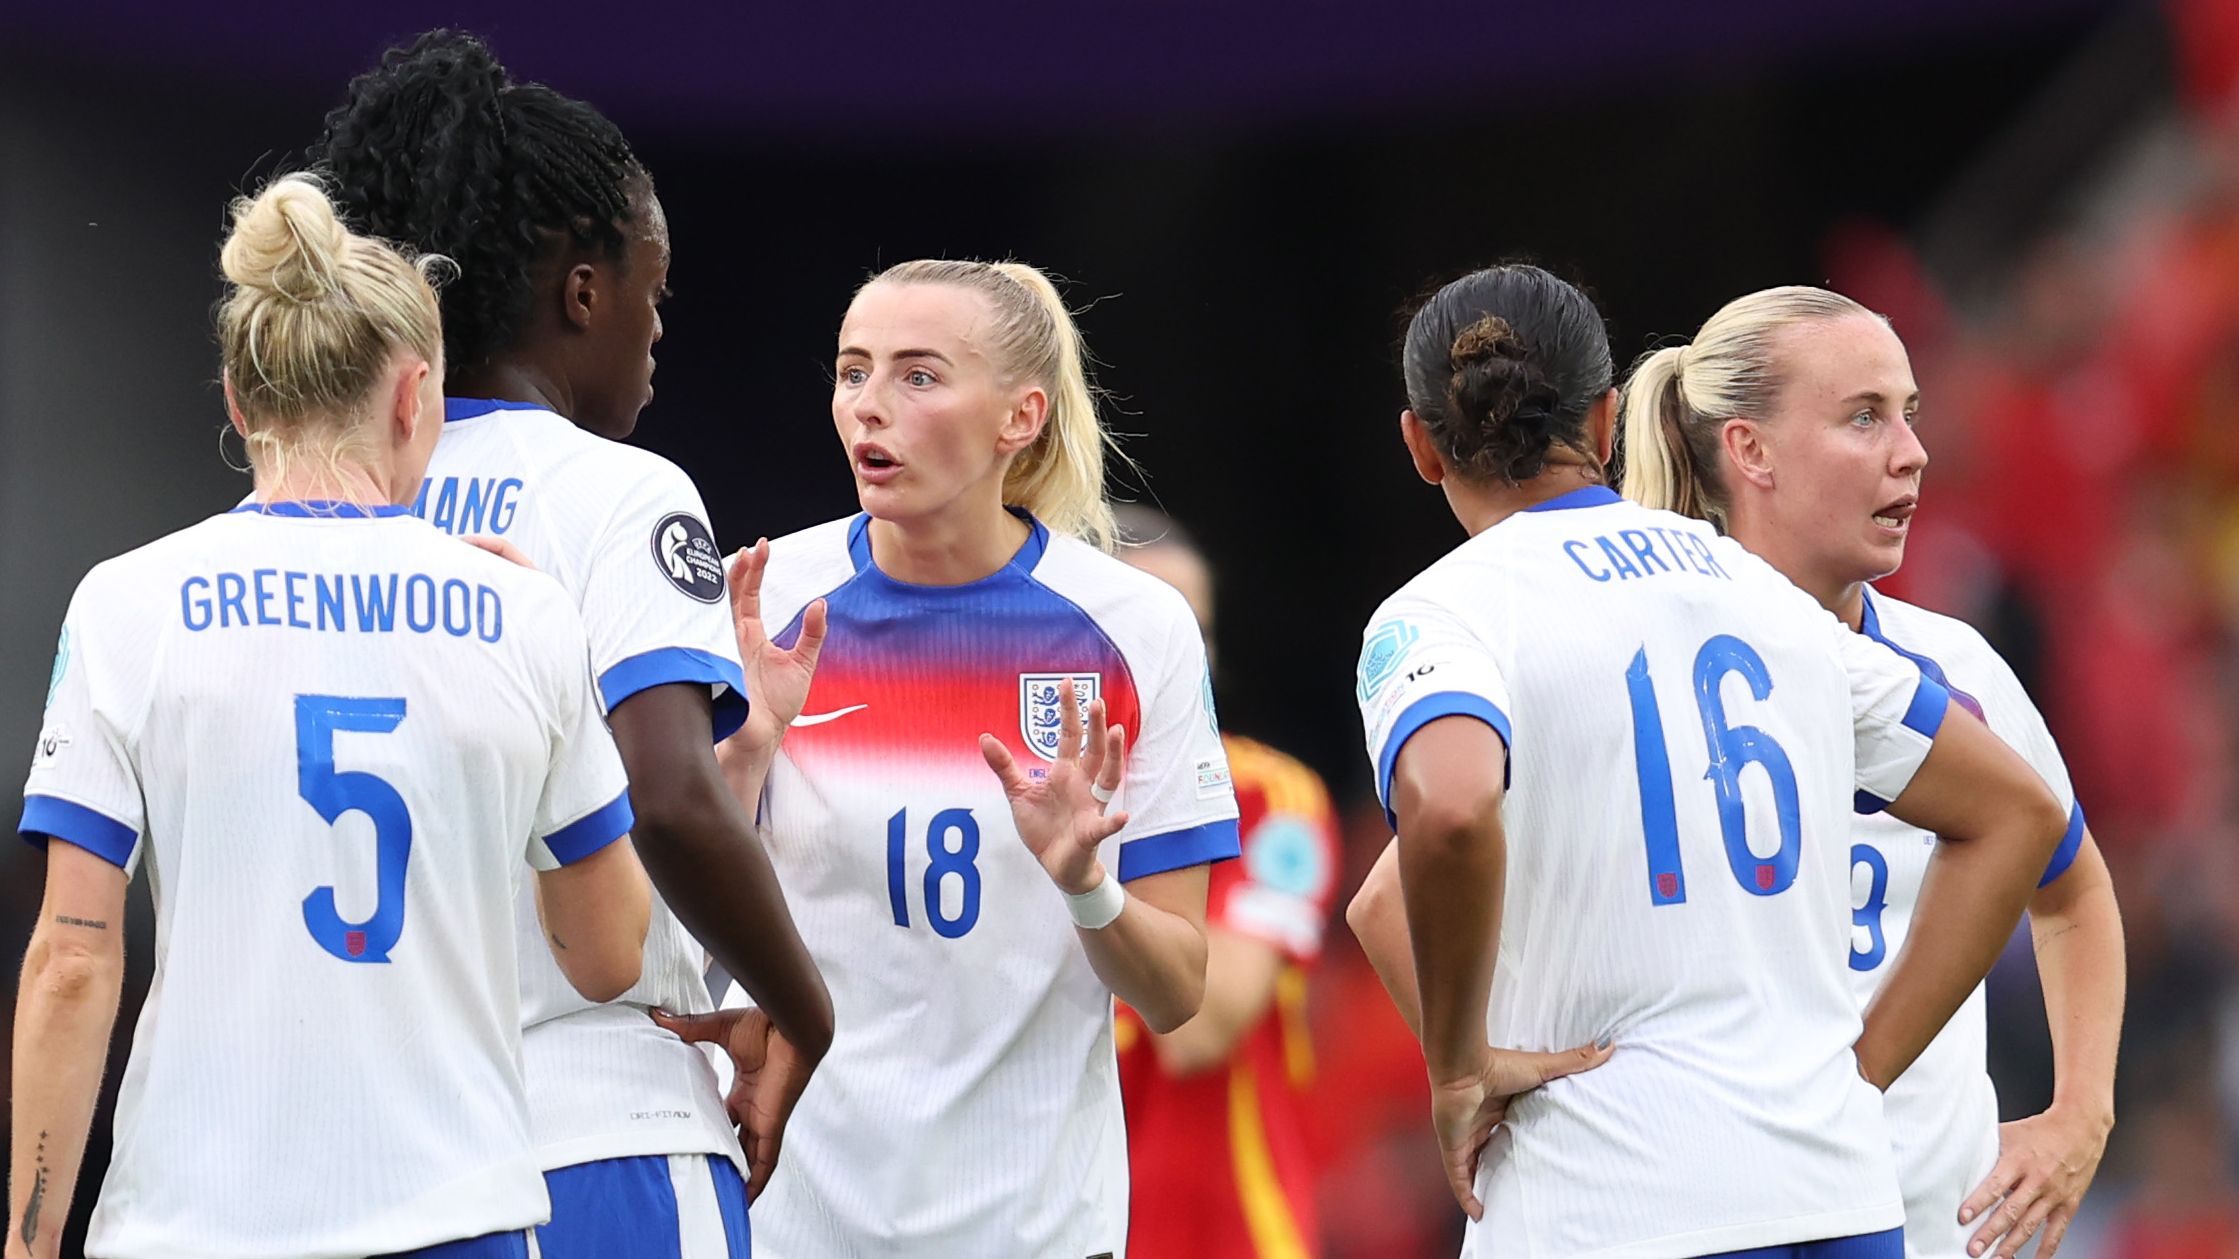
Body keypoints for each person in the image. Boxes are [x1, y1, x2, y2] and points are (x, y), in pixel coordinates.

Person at [1343, 263, 2071, 1258]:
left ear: (1421, 445)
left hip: (1608, 1200)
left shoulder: (1444, 612)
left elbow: (1451, 811)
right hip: (1835, 1194)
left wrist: (1459, 1064)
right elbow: (2018, 812)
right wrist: (1856, 1075)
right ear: (1605, 420)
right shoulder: (1757, 588)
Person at [8, 175, 651, 1259]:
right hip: (455, 1217)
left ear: (238, 401)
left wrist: (29, 1240)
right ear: (413, 395)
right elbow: (607, 954)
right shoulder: (525, 614)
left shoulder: (127, 601)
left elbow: (72, 961)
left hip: (194, 1224)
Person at [313, 31, 832, 1257]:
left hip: (362, 1145)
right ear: (584, 292)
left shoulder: (313, 505)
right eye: (654, 291)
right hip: (595, 1128)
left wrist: (745, 749)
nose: (656, 331)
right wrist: (804, 1009)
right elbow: (665, 797)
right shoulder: (617, 491)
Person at [673, 258, 1240, 1258]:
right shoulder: (762, 595)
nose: (868, 404)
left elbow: (1175, 993)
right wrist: (744, 759)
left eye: (919, 375)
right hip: (792, 1210)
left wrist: (1086, 884)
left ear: (1020, 417)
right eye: (853, 370)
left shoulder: (1135, 625)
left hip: (1034, 1224)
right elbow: (655, 933)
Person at [1620, 286, 2126, 1259]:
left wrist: (2080, 1113)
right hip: (1719, 1220)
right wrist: (1485, 1070)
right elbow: (1422, 885)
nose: (1912, 451)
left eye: (1908, 412)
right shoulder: (1630, 673)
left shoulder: (1960, 668)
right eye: (1863, 416)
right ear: (1750, 450)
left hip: (1933, 1229)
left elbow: (2072, 890)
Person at [1108, 504, 1341, 1259]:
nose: (1185, 658)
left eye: (1196, 633)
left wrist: (1081, 865)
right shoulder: (998, 802)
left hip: (1230, 1235)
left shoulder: (1274, 799)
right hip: (1052, 1228)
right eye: (1149, 629)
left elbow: (1197, 1032)